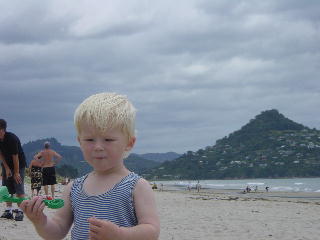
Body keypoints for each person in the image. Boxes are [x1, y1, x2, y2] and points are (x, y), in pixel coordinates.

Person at [21, 92, 160, 240]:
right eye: (89, 139)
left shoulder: (136, 186)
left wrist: (120, 234)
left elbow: (151, 230)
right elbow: (57, 231)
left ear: (129, 143)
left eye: (108, 139)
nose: (98, 147)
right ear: (80, 142)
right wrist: (40, 221)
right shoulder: (74, 188)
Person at [0, 119, 27, 221]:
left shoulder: (12, 139)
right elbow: (1, 154)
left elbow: (16, 157)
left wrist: (16, 172)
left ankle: (20, 211)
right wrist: (6, 168)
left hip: (18, 165)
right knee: (6, 189)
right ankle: (8, 211)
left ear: (2, 130)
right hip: (6, 164)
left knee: (18, 187)